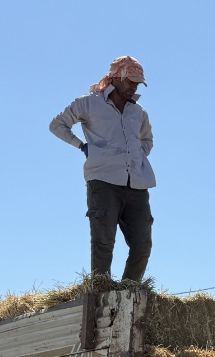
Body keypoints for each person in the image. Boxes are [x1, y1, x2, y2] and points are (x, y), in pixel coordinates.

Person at [49, 56, 156, 282]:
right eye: (131, 81)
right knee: (103, 243)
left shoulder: (139, 112)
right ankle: (100, 292)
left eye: (138, 83)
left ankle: (129, 292)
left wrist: (137, 156)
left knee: (142, 245)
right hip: (103, 180)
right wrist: (82, 146)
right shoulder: (89, 103)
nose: (134, 86)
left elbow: (147, 140)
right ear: (116, 78)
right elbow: (57, 125)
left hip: (137, 183)